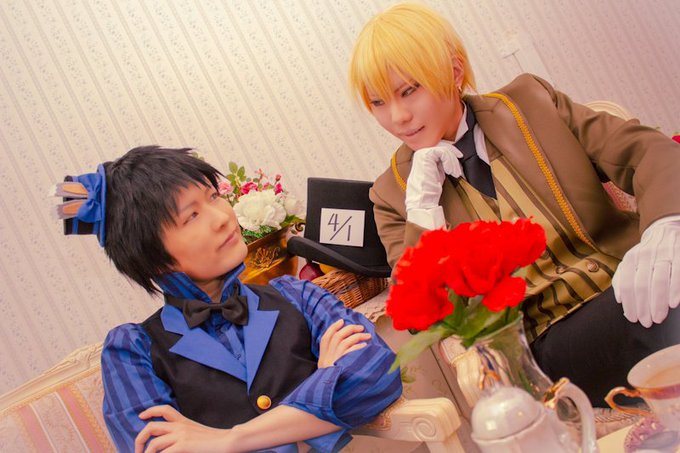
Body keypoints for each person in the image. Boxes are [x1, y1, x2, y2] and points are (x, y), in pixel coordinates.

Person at [348, 2, 680, 406]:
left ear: (454, 71)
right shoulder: (392, 194)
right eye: (378, 102)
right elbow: (422, 315)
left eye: (409, 91)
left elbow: (646, 151)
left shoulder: (530, 103)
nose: (398, 116)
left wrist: (665, 227)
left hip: (634, 282)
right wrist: (422, 210)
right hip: (550, 346)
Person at [53, 146, 402, 452]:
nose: (222, 218)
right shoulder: (132, 351)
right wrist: (321, 386)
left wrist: (227, 440)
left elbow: (376, 375)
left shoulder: (297, 295)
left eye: (213, 197)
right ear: (153, 256)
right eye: (191, 216)